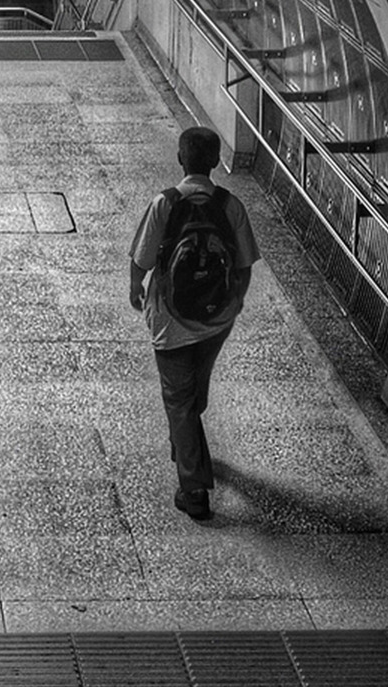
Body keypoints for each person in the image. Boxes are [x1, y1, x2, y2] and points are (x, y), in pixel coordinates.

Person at [128, 124, 260, 521]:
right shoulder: (231, 205)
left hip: (172, 320)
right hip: (217, 320)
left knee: (180, 401)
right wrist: (232, 302)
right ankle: (184, 441)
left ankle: (195, 490)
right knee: (194, 390)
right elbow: (244, 265)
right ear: (217, 162)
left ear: (181, 158)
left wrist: (136, 288)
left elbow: (142, 259)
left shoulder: (165, 203)